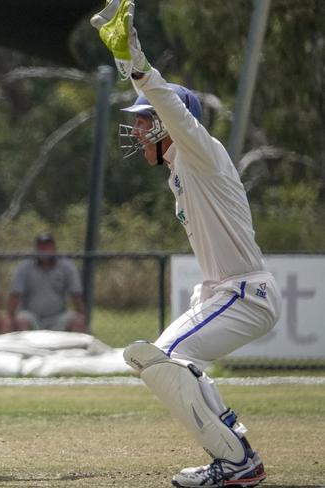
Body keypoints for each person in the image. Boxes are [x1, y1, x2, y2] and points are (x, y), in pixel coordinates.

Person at [91, 2, 281, 487]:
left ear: (170, 123)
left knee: (162, 357)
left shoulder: (202, 153)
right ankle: (235, 448)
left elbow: (172, 110)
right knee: (159, 358)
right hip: (225, 292)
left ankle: (235, 462)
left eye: (143, 120)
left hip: (245, 293)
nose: (136, 129)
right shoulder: (181, 172)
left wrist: (134, 65)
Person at [8, 232, 86, 332]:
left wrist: (82, 316)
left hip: (58, 317)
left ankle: (77, 348)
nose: (44, 249)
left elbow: (76, 295)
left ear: (54, 248)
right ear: (36, 248)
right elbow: (15, 294)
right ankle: (24, 347)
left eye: (47, 246)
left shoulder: (66, 266)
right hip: (31, 316)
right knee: (20, 320)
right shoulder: (25, 266)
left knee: (78, 321)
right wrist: (10, 316)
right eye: (41, 246)